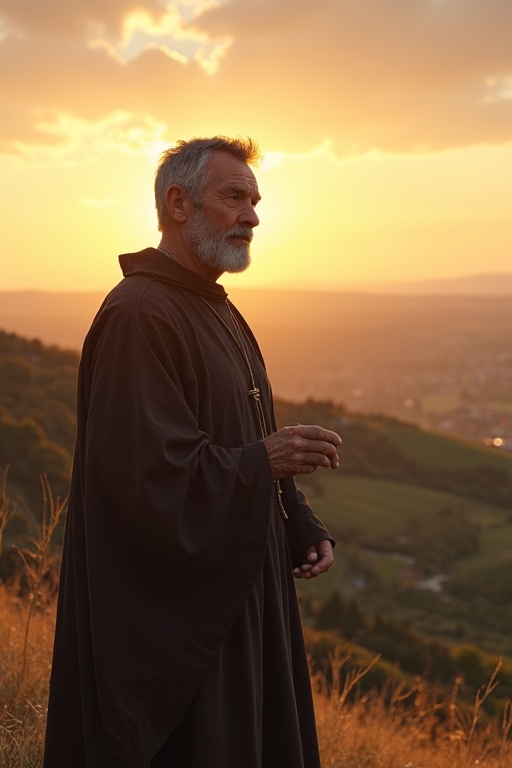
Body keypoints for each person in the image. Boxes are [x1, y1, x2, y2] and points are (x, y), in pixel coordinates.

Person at [43, 136, 342, 768]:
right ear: (178, 203)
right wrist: (265, 462)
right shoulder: (142, 314)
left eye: (256, 200)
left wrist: (295, 516)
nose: (253, 216)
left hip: (237, 590)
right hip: (183, 626)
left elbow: (238, 433)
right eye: (234, 196)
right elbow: (143, 477)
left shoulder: (214, 308)